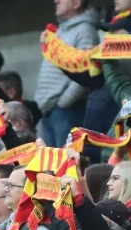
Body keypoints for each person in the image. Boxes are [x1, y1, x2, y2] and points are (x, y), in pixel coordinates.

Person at [35, 0, 100, 147]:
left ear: (76, 3)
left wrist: (64, 102)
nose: (55, 1)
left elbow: (87, 70)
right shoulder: (61, 30)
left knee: (65, 163)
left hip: (66, 109)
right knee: (51, 165)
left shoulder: (85, 30)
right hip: (50, 108)